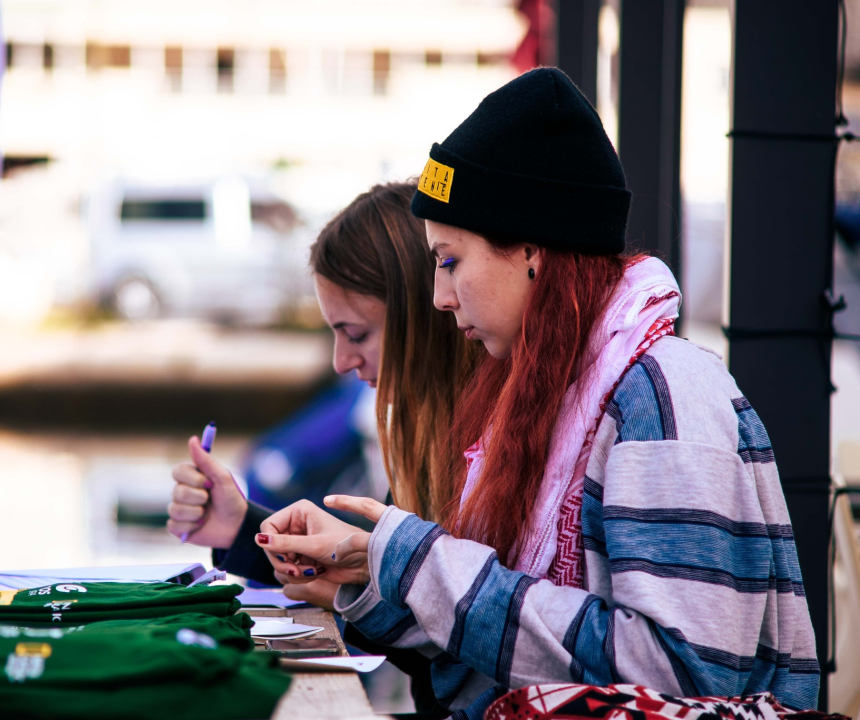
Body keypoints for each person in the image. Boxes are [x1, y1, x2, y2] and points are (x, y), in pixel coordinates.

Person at [252, 68, 819, 719]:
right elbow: (507, 641)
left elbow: (681, 676)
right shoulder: (553, 389)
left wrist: (419, 563)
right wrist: (373, 576)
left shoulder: (663, 398)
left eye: (449, 260)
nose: (439, 296)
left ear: (530, 250)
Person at [165, 181, 479, 602]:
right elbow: (399, 586)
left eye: (356, 334)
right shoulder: (423, 434)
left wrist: (344, 592)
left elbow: (446, 615)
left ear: (428, 317)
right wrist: (239, 527)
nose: (341, 362)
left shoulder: (487, 453)